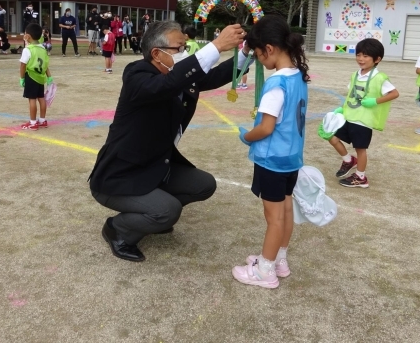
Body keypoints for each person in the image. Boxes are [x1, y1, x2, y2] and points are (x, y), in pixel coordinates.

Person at [89, 21, 247, 262]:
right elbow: (165, 86)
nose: (185, 52)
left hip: (154, 165)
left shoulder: (179, 75)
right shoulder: (137, 74)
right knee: (167, 210)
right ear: (157, 53)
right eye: (180, 47)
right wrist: (216, 45)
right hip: (119, 175)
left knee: (204, 184)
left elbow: (216, 75)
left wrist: (248, 53)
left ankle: (151, 215)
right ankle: (118, 228)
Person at [233, 15, 309, 289]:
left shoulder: (276, 84)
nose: (259, 61)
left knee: (274, 218)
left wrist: (246, 137)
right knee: (286, 211)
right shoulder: (299, 77)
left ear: (270, 49)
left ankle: (264, 270)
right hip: (291, 159)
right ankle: (278, 259)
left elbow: (265, 128)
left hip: (271, 160)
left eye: (257, 54)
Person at [327, 38, 400, 188]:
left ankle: (361, 177)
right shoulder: (355, 75)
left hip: (363, 120)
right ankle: (348, 161)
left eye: (366, 56)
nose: (361, 59)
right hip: (349, 116)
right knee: (332, 137)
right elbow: (350, 94)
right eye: (358, 55)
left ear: (377, 59)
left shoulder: (379, 77)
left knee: (360, 149)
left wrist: (375, 101)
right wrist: (342, 108)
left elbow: (394, 93)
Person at [19, 23, 53, 130]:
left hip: (31, 76)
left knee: (32, 99)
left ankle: (33, 122)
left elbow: (23, 65)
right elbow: (46, 65)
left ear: (28, 36)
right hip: (40, 77)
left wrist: (22, 78)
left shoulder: (28, 49)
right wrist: (49, 77)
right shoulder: (43, 49)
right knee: (41, 98)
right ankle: (42, 120)